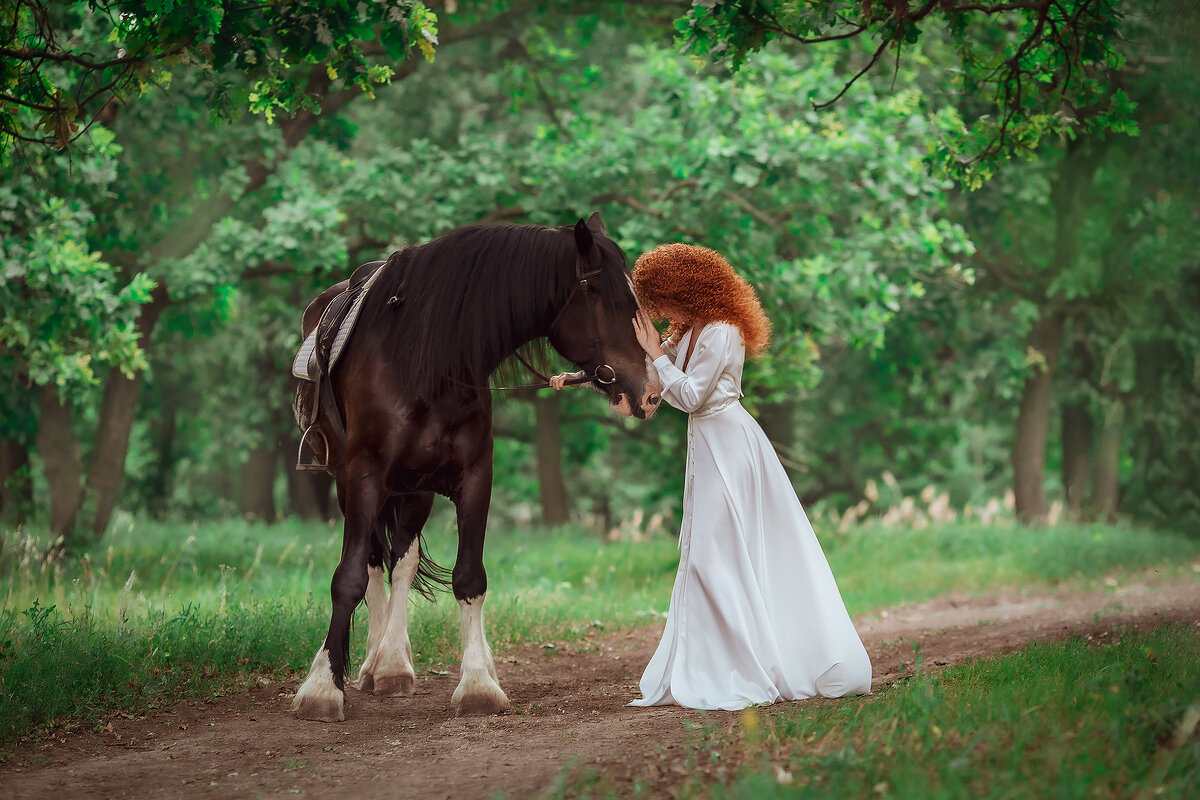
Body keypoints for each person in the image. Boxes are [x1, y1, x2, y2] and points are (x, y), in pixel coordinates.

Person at [551, 242, 872, 711]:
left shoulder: (722, 331)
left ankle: (740, 666)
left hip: (731, 443)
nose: (657, 309)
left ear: (684, 287)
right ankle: (716, 662)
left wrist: (653, 353)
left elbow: (694, 395)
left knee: (712, 555)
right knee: (705, 553)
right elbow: (645, 373)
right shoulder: (688, 331)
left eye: (659, 296)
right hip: (706, 445)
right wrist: (580, 377)